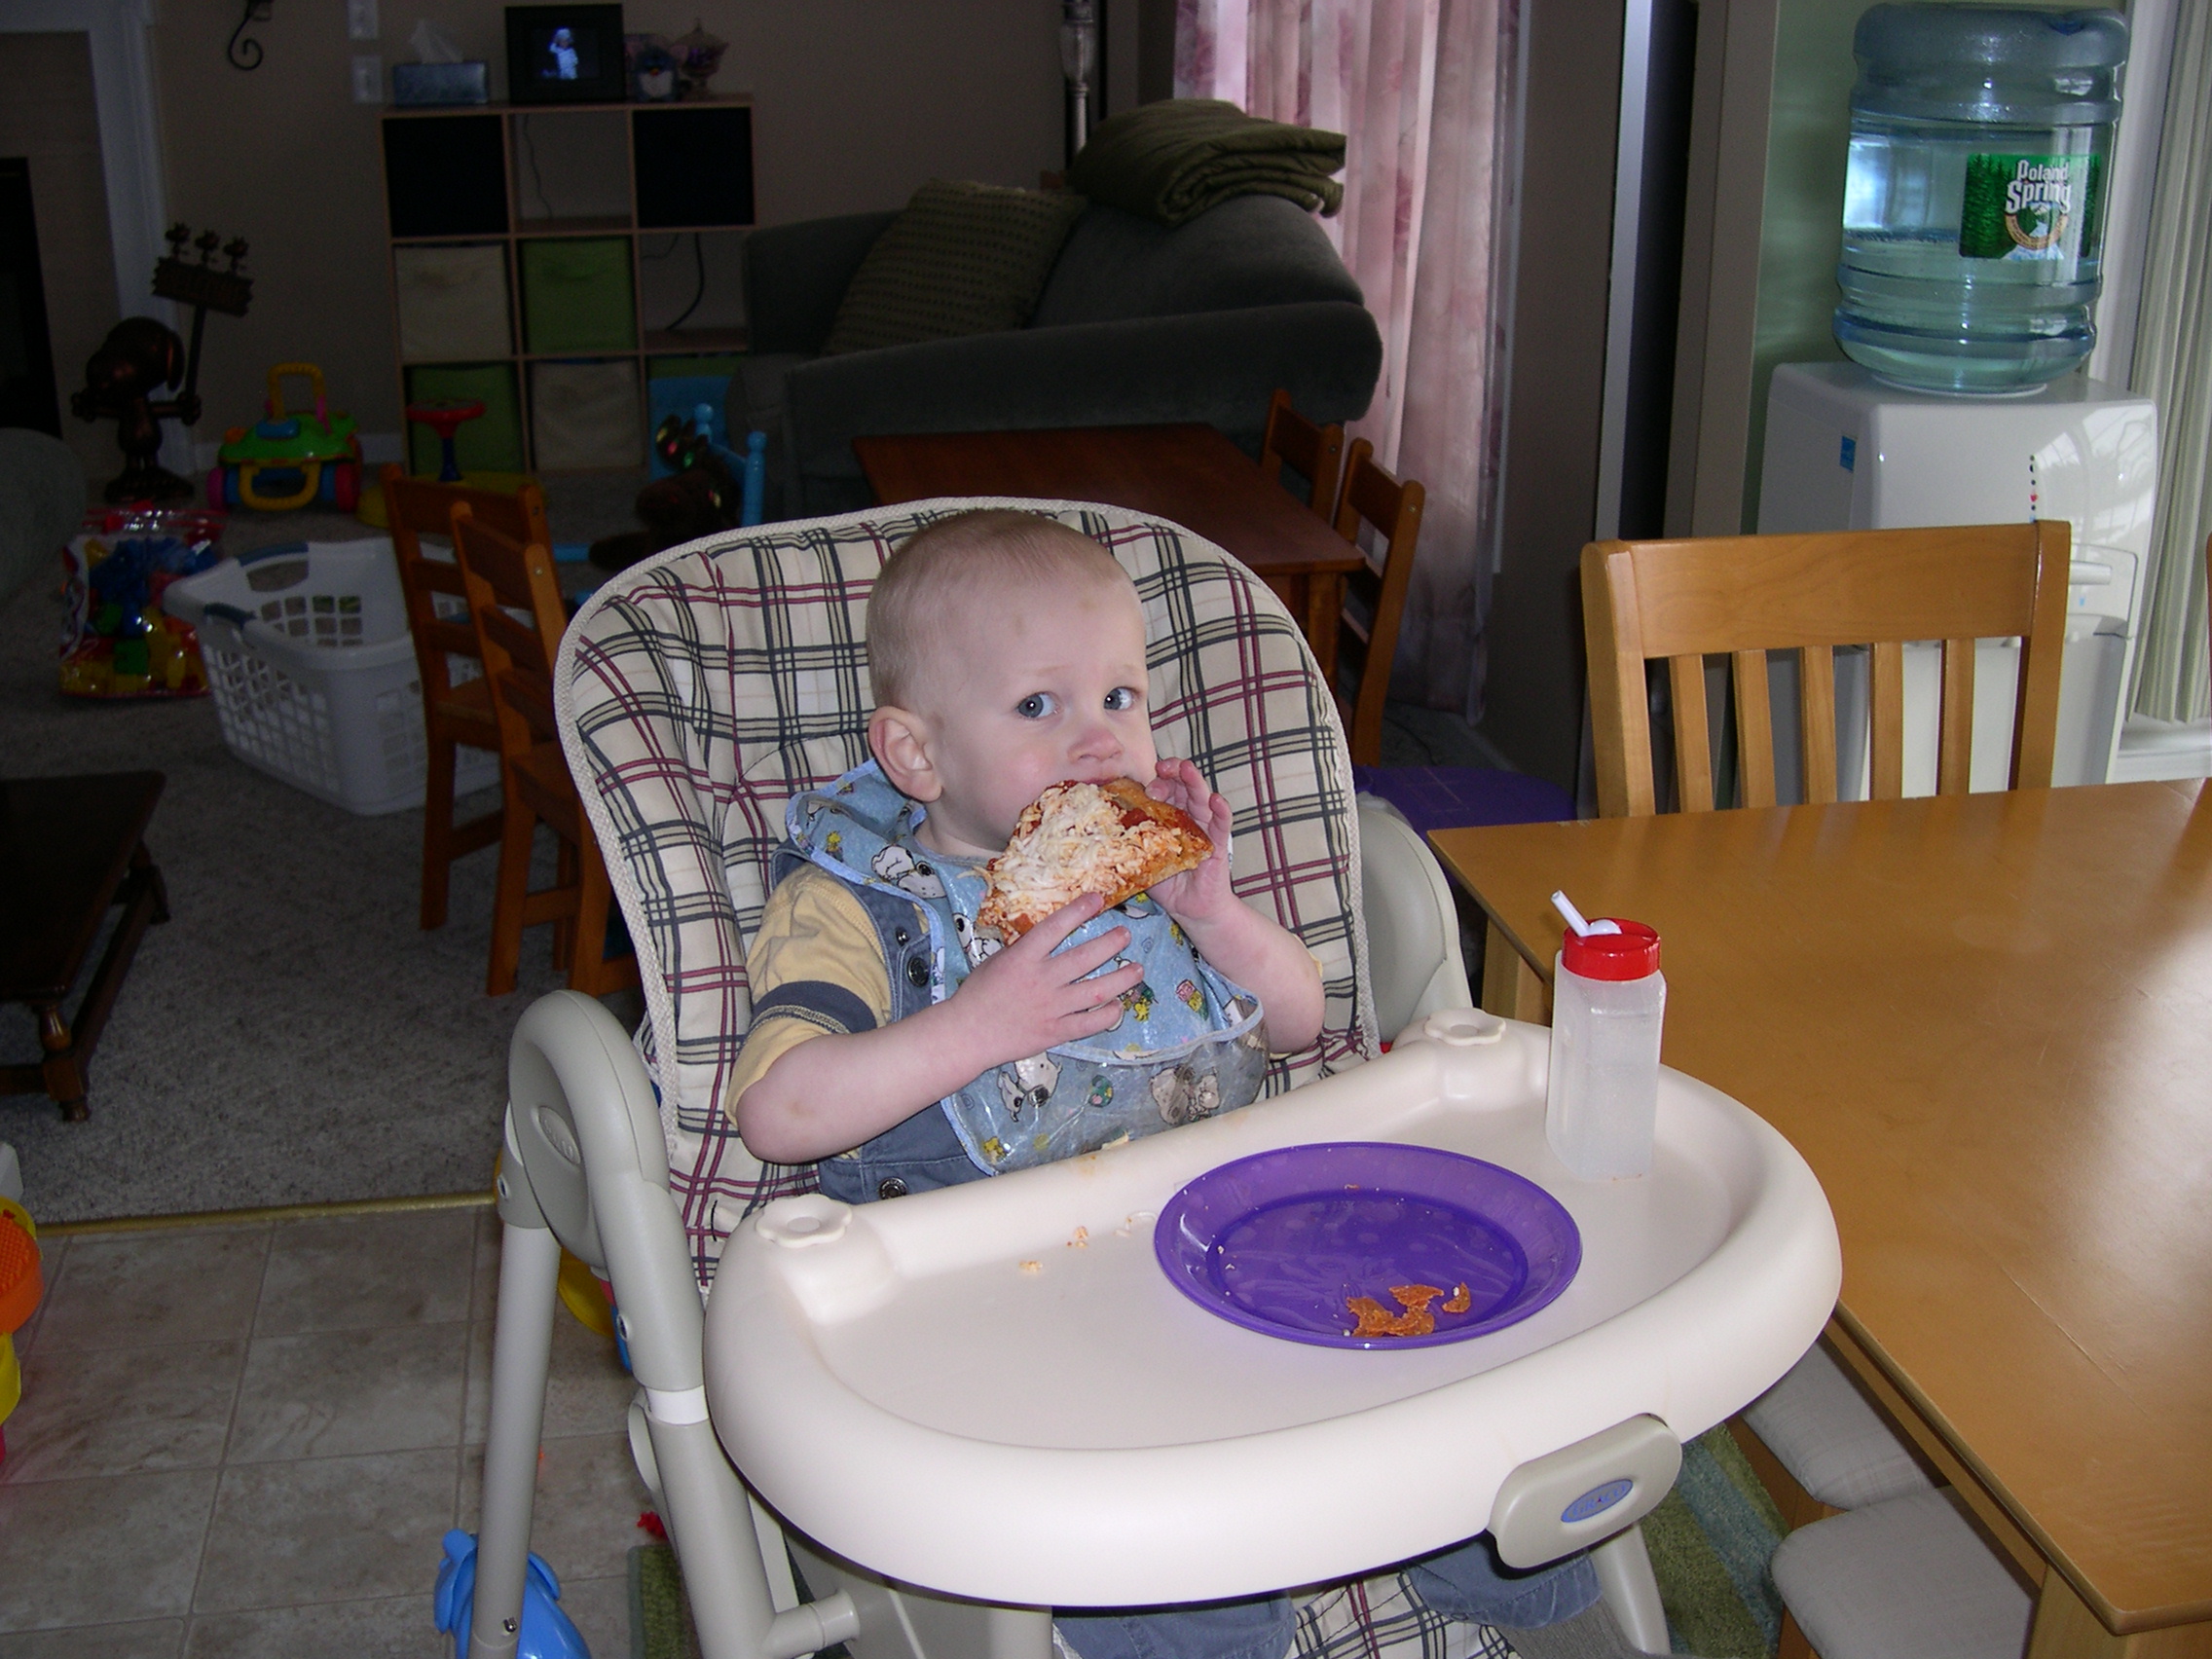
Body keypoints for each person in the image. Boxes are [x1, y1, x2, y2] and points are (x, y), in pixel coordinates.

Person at [727, 511, 1642, 1659]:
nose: (1099, 740)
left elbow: (1304, 1019)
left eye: (1120, 698)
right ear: (915, 754)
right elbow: (780, 1112)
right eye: (1036, 707)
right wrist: (971, 1027)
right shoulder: (859, 901)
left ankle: (1471, 1537)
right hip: (999, 1305)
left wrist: (1211, 913)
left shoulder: (1147, 862)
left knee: (1437, 1347)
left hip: (1222, 1235)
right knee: (1181, 1539)